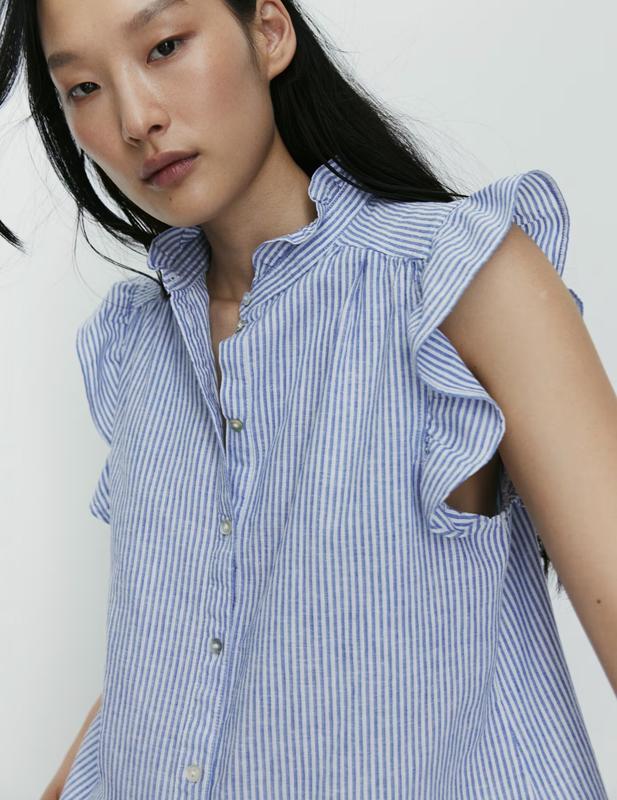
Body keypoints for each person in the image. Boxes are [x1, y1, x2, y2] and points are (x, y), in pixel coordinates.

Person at [2, 0, 612, 797]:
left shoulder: (454, 282)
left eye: (165, 46)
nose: (135, 119)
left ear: (268, 31)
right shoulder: (140, 349)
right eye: (83, 88)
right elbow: (185, 657)